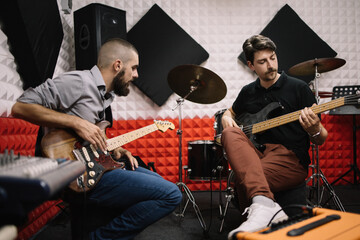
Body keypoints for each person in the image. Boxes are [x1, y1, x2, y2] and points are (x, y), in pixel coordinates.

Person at [11, 38, 182, 240]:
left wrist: (114, 149)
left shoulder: (104, 96)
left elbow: (88, 138)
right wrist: (76, 122)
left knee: (157, 180)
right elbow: (20, 107)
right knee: (171, 194)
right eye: (134, 68)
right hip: (75, 172)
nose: (136, 75)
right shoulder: (79, 82)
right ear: (118, 65)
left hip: (94, 164)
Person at [221, 35, 328, 239]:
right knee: (229, 132)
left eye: (272, 58)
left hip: (290, 158)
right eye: (262, 61)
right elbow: (232, 112)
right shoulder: (248, 92)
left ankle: (262, 209)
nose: (270, 65)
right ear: (251, 65)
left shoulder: (299, 88)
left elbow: (320, 138)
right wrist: (227, 116)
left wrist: (314, 129)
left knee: (244, 180)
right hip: (258, 154)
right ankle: (267, 208)